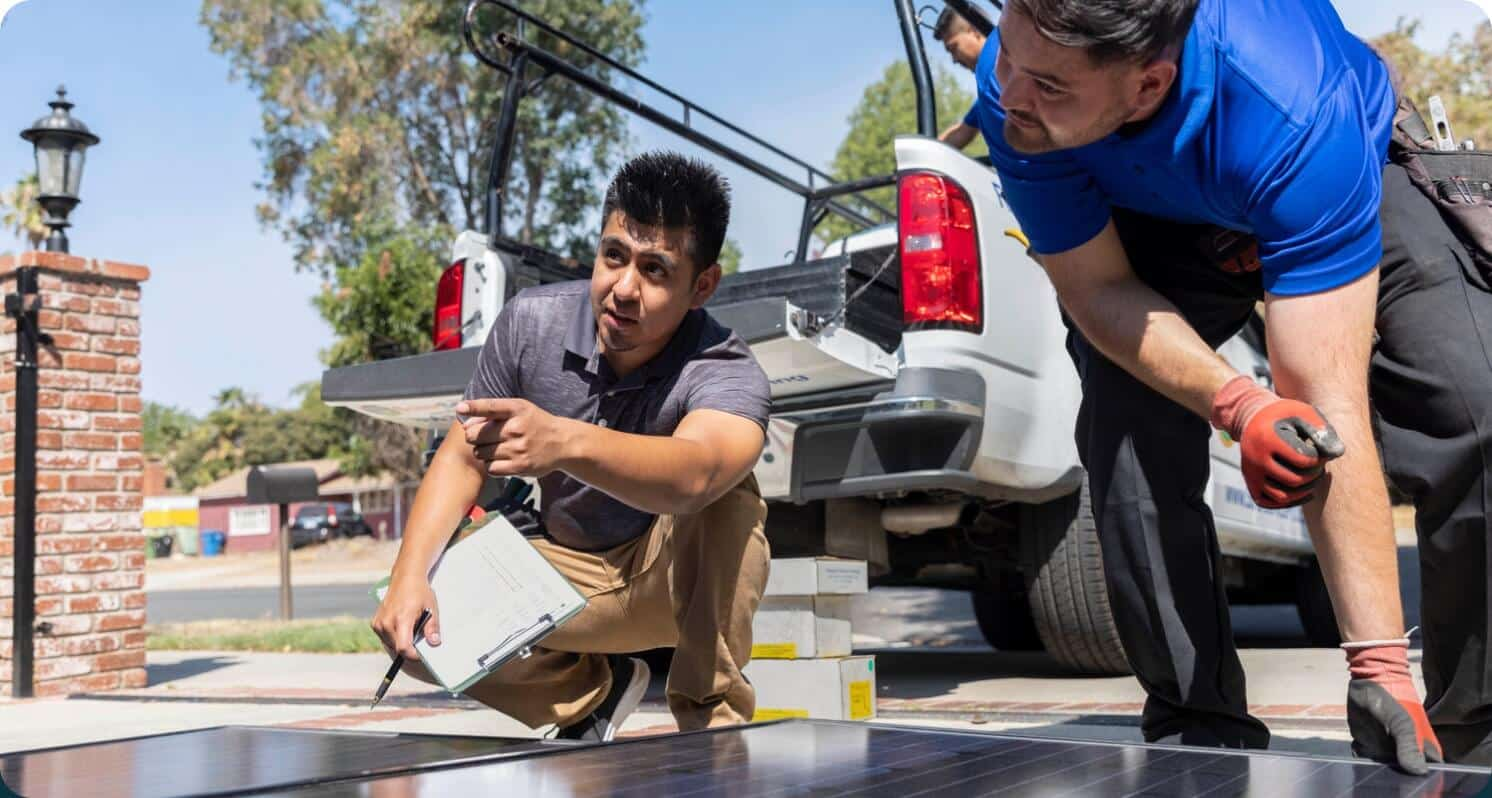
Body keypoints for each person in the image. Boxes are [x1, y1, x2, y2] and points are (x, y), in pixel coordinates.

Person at [963, 0, 1492, 774]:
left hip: (1335, 169)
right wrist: (1240, 406)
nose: (1009, 94)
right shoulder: (1019, 91)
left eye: (1047, 83)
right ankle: (1196, 725)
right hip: (1151, 210)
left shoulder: (1295, 107)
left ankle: (1468, 721)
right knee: (1127, 421)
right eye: (1008, 59)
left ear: (1150, 85)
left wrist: (1375, 666)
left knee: (1473, 402)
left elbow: (1323, 395)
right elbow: (1098, 287)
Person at [371, 151, 772, 742]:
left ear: (702, 286)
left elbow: (699, 474)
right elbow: (461, 455)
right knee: (408, 618)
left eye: (656, 271)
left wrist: (564, 442)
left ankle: (710, 723)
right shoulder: (529, 324)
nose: (624, 289)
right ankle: (585, 701)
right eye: (614, 257)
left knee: (727, 496)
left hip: (668, 579)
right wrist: (409, 574)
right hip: (568, 581)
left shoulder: (727, 368)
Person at [933, 7, 987, 150]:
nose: (954, 60)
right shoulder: (989, 93)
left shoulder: (1016, 65)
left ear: (974, 31)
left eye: (953, 48)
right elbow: (962, 132)